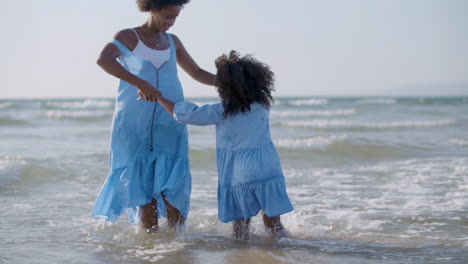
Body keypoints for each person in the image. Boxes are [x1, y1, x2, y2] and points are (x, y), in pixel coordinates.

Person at [91, 0, 215, 231]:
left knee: (174, 182)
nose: (171, 23)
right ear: (153, 9)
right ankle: (151, 246)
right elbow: (103, 60)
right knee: (144, 187)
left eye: (175, 18)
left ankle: (178, 244)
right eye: (168, 17)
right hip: (134, 120)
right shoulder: (128, 36)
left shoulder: (173, 41)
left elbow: (196, 72)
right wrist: (139, 83)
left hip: (171, 118)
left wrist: (231, 83)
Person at [155, 51, 294, 239]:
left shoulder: (222, 110)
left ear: (224, 86)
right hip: (268, 168)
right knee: (274, 224)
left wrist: (158, 97)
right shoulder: (262, 105)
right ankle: (284, 251)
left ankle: (242, 254)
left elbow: (187, 114)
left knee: (241, 227)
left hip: (239, 173)